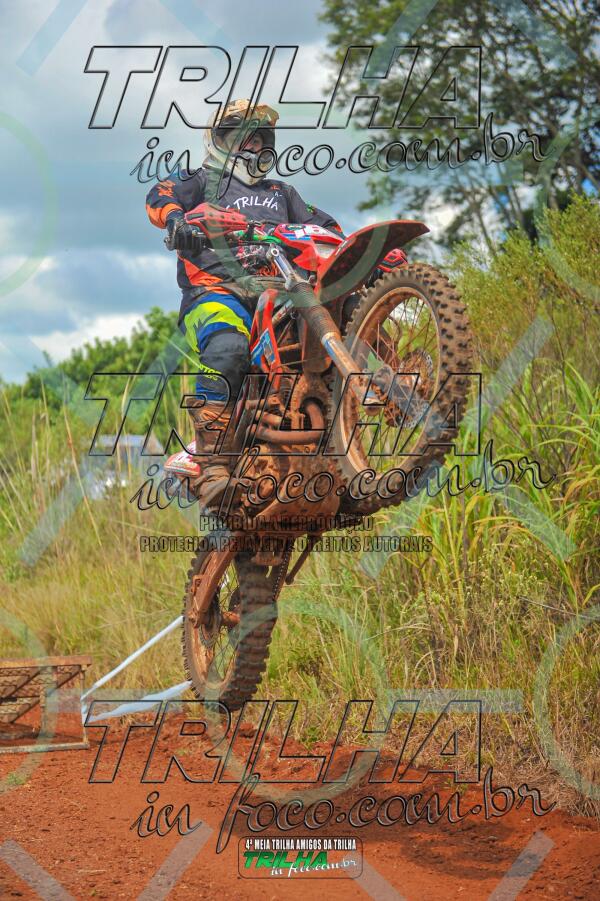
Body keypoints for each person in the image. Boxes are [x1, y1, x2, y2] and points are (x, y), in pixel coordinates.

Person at [146, 99, 342, 505]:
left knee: (336, 321)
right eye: (242, 137)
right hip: (216, 290)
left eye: (259, 138)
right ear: (219, 141)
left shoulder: (282, 193)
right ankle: (212, 462)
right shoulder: (201, 180)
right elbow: (161, 194)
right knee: (228, 347)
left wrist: (351, 251)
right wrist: (177, 222)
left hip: (282, 294)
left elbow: (326, 226)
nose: (252, 145)